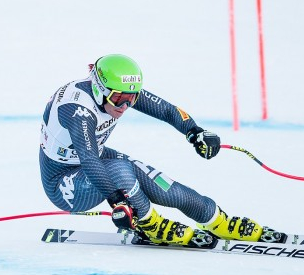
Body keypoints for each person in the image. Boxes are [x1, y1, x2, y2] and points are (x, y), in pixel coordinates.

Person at [39, 54, 282, 246]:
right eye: (118, 98)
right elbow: (90, 160)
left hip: (94, 161)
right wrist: (117, 201)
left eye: (131, 99)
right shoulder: (77, 109)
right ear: (98, 90)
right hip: (63, 182)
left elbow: (165, 110)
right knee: (121, 170)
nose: (125, 105)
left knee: (165, 187)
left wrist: (193, 131)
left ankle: (218, 220)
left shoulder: (116, 90)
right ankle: (149, 224)